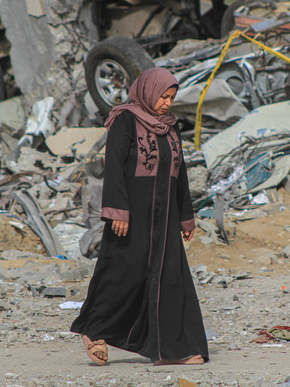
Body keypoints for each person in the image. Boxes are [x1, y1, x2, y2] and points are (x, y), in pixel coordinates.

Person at [70, 67, 209, 366]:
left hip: (166, 216)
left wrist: (186, 217)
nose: (167, 103)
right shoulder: (125, 120)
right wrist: (118, 210)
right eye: (163, 96)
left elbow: (179, 174)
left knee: (170, 279)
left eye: (172, 97)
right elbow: (115, 166)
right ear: (147, 92)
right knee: (123, 275)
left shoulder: (172, 127)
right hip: (131, 216)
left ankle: (176, 347)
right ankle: (94, 330)